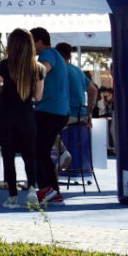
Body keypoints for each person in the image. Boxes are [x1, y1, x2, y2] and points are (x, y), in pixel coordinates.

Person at [0, 29, 43, 209]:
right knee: (30, 154)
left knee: (8, 156)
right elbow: (38, 96)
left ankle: (12, 196)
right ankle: (33, 190)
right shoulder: (38, 68)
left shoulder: (3, 65)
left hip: (5, 115)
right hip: (26, 115)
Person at [31, 27, 69, 205]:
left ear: (38, 41)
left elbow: (43, 70)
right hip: (57, 111)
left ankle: (49, 188)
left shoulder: (47, 55)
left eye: (31, 43)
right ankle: (52, 190)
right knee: (42, 150)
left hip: (49, 111)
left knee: (38, 150)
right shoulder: (55, 55)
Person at [55, 42, 98, 172]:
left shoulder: (59, 71)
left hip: (68, 115)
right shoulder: (77, 70)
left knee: (42, 127)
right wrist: (88, 113)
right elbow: (93, 90)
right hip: (80, 114)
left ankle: (62, 152)